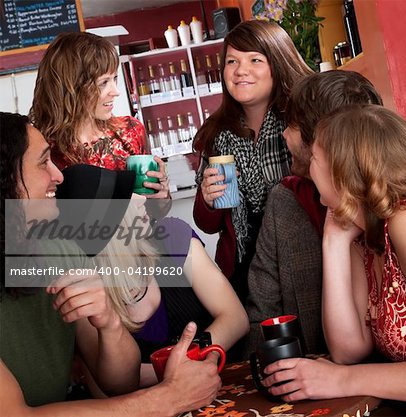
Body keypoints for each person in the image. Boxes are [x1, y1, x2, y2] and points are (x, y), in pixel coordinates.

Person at [0, 112, 221, 416]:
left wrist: (109, 323)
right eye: (43, 163)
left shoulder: (59, 248)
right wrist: (169, 398)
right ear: (6, 179)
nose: (58, 175)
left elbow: (120, 383)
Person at [261, 105, 406, 417]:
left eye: (316, 156)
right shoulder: (365, 237)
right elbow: (348, 349)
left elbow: (345, 370)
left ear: (342, 170)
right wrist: (332, 240)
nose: (308, 165)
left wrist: (342, 380)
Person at [56, 164, 250, 388]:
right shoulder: (83, 292)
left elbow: (236, 319)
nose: (141, 200)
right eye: (128, 196)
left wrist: (176, 364)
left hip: (223, 387)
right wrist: (177, 373)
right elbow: (112, 387)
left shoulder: (171, 236)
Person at [244, 70, 383, 358]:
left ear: (326, 138)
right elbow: (262, 314)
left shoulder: (399, 209)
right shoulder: (285, 200)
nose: (283, 134)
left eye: (292, 125)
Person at [193, 20, 313, 302]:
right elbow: (208, 224)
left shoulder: (301, 123)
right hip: (241, 271)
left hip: (304, 259)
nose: (240, 71)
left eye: (255, 60)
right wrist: (208, 199)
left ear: (278, 63)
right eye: (231, 61)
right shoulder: (216, 133)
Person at [29, 31, 169, 199]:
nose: (116, 92)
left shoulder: (130, 131)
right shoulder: (44, 150)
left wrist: (162, 195)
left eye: (114, 78)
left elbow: (155, 211)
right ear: (72, 88)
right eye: (103, 83)